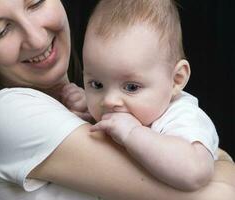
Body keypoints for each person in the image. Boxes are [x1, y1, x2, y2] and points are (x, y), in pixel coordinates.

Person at [0, 0, 235, 200]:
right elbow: (215, 193)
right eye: (0, 31)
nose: (37, 39)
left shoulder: (92, 106)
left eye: (36, 2)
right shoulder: (5, 114)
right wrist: (219, 162)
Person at [64, 0, 218, 191]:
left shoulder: (183, 117)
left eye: (131, 87)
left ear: (176, 80)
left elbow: (196, 171)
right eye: (97, 84)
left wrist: (133, 134)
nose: (109, 101)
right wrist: (85, 102)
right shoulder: (127, 108)